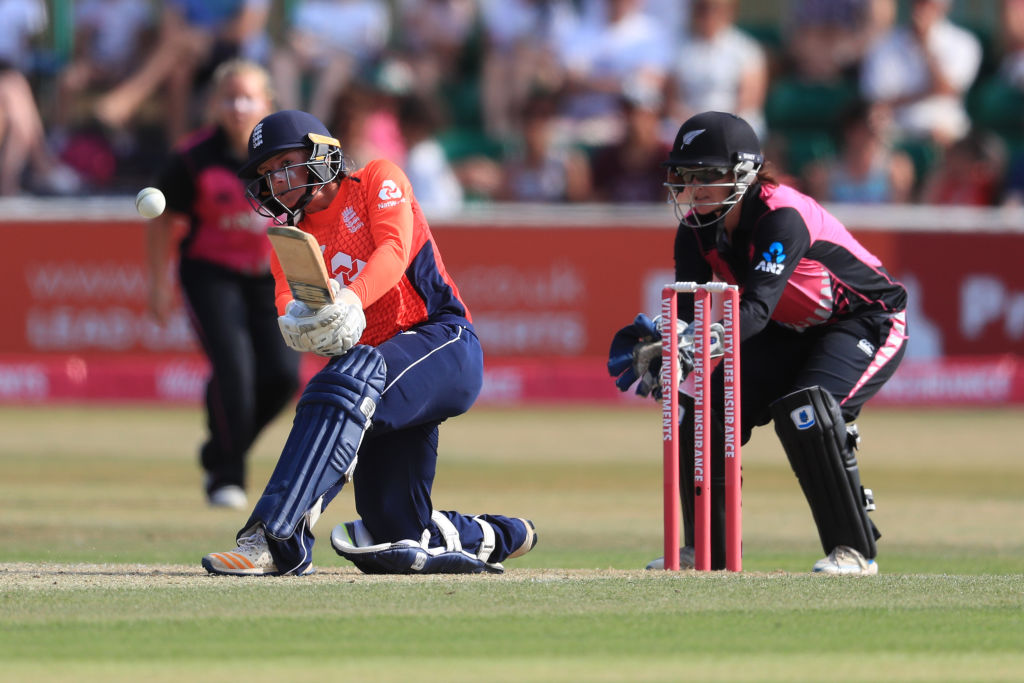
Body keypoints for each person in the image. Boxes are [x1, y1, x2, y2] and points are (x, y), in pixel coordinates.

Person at [201, 109, 537, 576]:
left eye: (283, 165)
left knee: (341, 381)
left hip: (443, 342)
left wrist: (352, 299)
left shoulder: (378, 178)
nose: (275, 183)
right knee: (392, 532)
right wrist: (296, 320)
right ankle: (497, 534)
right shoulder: (293, 239)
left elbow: (394, 251)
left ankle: (274, 539)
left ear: (321, 153)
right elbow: (288, 300)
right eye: (265, 175)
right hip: (382, 379)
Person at [609, 111, 908, 574]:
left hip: (865, 320)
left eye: (708, 174)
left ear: (744, 171)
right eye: (686, 174)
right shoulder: (695, 229)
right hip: (788, 330)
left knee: (810, 411)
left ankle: (854, 550)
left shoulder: (780, 217)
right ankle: (708, 550)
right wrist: (672, 349)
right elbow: (692, 311)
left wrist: (695, 342)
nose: (695, 186)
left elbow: (755, 310)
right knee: (705, 404)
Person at [146, 60, 300, 509]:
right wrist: (158, 284)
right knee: (235, 371)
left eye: (248, 97)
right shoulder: (192, 157)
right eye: (228, 97)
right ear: (213, 104)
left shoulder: (284, 157)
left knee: (283, 377)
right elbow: (161, 224)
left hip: (267, 277)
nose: (238, 107)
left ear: (268, 103)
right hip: (208, 273)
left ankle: (219, 451)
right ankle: (226, 476)